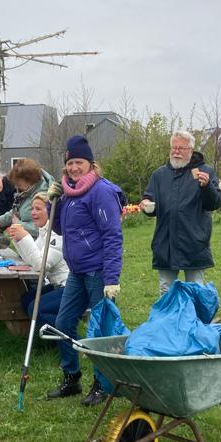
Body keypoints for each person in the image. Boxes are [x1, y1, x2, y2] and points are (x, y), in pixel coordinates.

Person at [48, 135, 125, 406]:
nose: (73, 168)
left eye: (79, 162)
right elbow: (59, 229)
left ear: (91, 164)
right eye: (70, 163)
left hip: (99, 272)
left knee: (101, 330)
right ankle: (72, 377)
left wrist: (112, 278)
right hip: (77, 272)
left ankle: (103, 384)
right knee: (63, 323)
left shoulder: (100, 192)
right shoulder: (69, 193)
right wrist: (52, 204)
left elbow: (113, 235)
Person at [141, 130, 221, 293]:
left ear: (191, 151)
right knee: (166, 289)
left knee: (195, 289)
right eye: (174, 148)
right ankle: (169, 319)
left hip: (194, 241)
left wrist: (207, 187)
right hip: (165, 242)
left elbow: (215, 203)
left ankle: (196, 319)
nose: (176, 151)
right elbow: (150, 201)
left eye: (181, 148)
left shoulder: (204, 172)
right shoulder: (159, 175)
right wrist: (146, 204)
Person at [6, 192, 69, 329]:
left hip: (69, 287)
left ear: (51, 211)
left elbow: (40, 265)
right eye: (32, 209)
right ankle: (43, 337)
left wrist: (26, 237)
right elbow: (30, 259)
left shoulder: (58, 234)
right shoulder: (44, 232)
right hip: (56, 284)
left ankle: (70, 335)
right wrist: (18, 239)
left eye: (39, 209)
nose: (33, 213)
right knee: (26, 299)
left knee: (35, 309)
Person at [0, 158, 53, 239]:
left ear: (30, 180)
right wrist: (0, 221)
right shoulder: (26, 194)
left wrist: (19, 225)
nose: (17, 187)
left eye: (19, 184)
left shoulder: (43, 197)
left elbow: (44, 228)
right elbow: (15, 211)